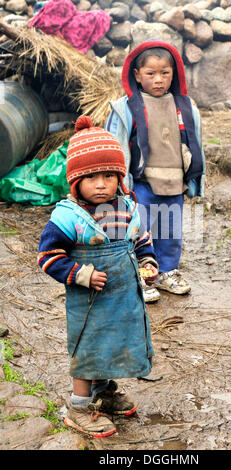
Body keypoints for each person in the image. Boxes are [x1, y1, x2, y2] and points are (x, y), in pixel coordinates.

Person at [38, 115, 158, 438]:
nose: (102, 184)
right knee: (89, 347)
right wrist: (79, 274)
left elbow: (142, 238)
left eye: (109, 175)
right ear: (76, 181)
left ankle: (104, 392)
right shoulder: (69, 217)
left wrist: (148, 262)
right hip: (88, 301)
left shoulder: (127, 208)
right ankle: (79, 405)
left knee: (113, 342)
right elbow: (47, 257)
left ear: (120, 177)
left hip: (120, 299)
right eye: (92, 177)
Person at [105, 40, 205, 303]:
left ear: (175, 74)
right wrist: (117, 183)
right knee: (139, 231)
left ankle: (166, 272)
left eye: (165, 73)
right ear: (136, 75)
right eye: (150, 73)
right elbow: (115, 145)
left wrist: (195, 179)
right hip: (142, 183)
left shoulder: (184, 106)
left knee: (171, 231)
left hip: (174, 181)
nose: (158, 80)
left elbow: (195, 143)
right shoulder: (126, 108)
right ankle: (141, 274)